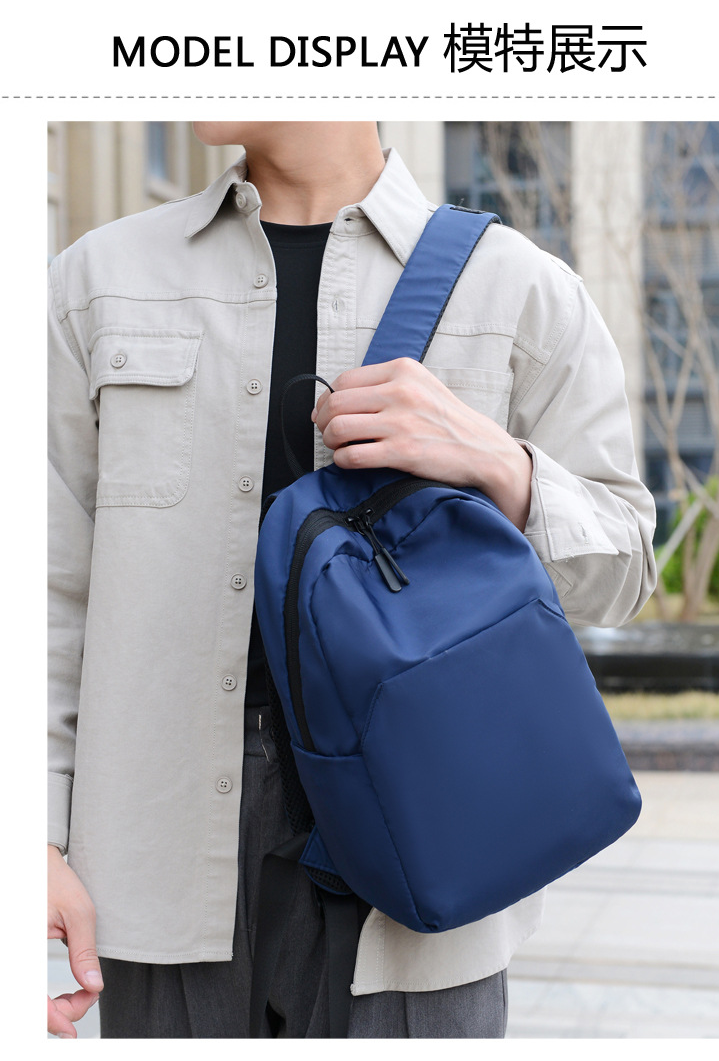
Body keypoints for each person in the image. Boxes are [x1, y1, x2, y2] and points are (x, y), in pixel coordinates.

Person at [48, 121, 657, 1038]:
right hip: (158, 844)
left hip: (431, 837)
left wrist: (499, 462)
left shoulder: (518, 288)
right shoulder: (97, 281)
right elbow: (45, 592)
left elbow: (623, 571)